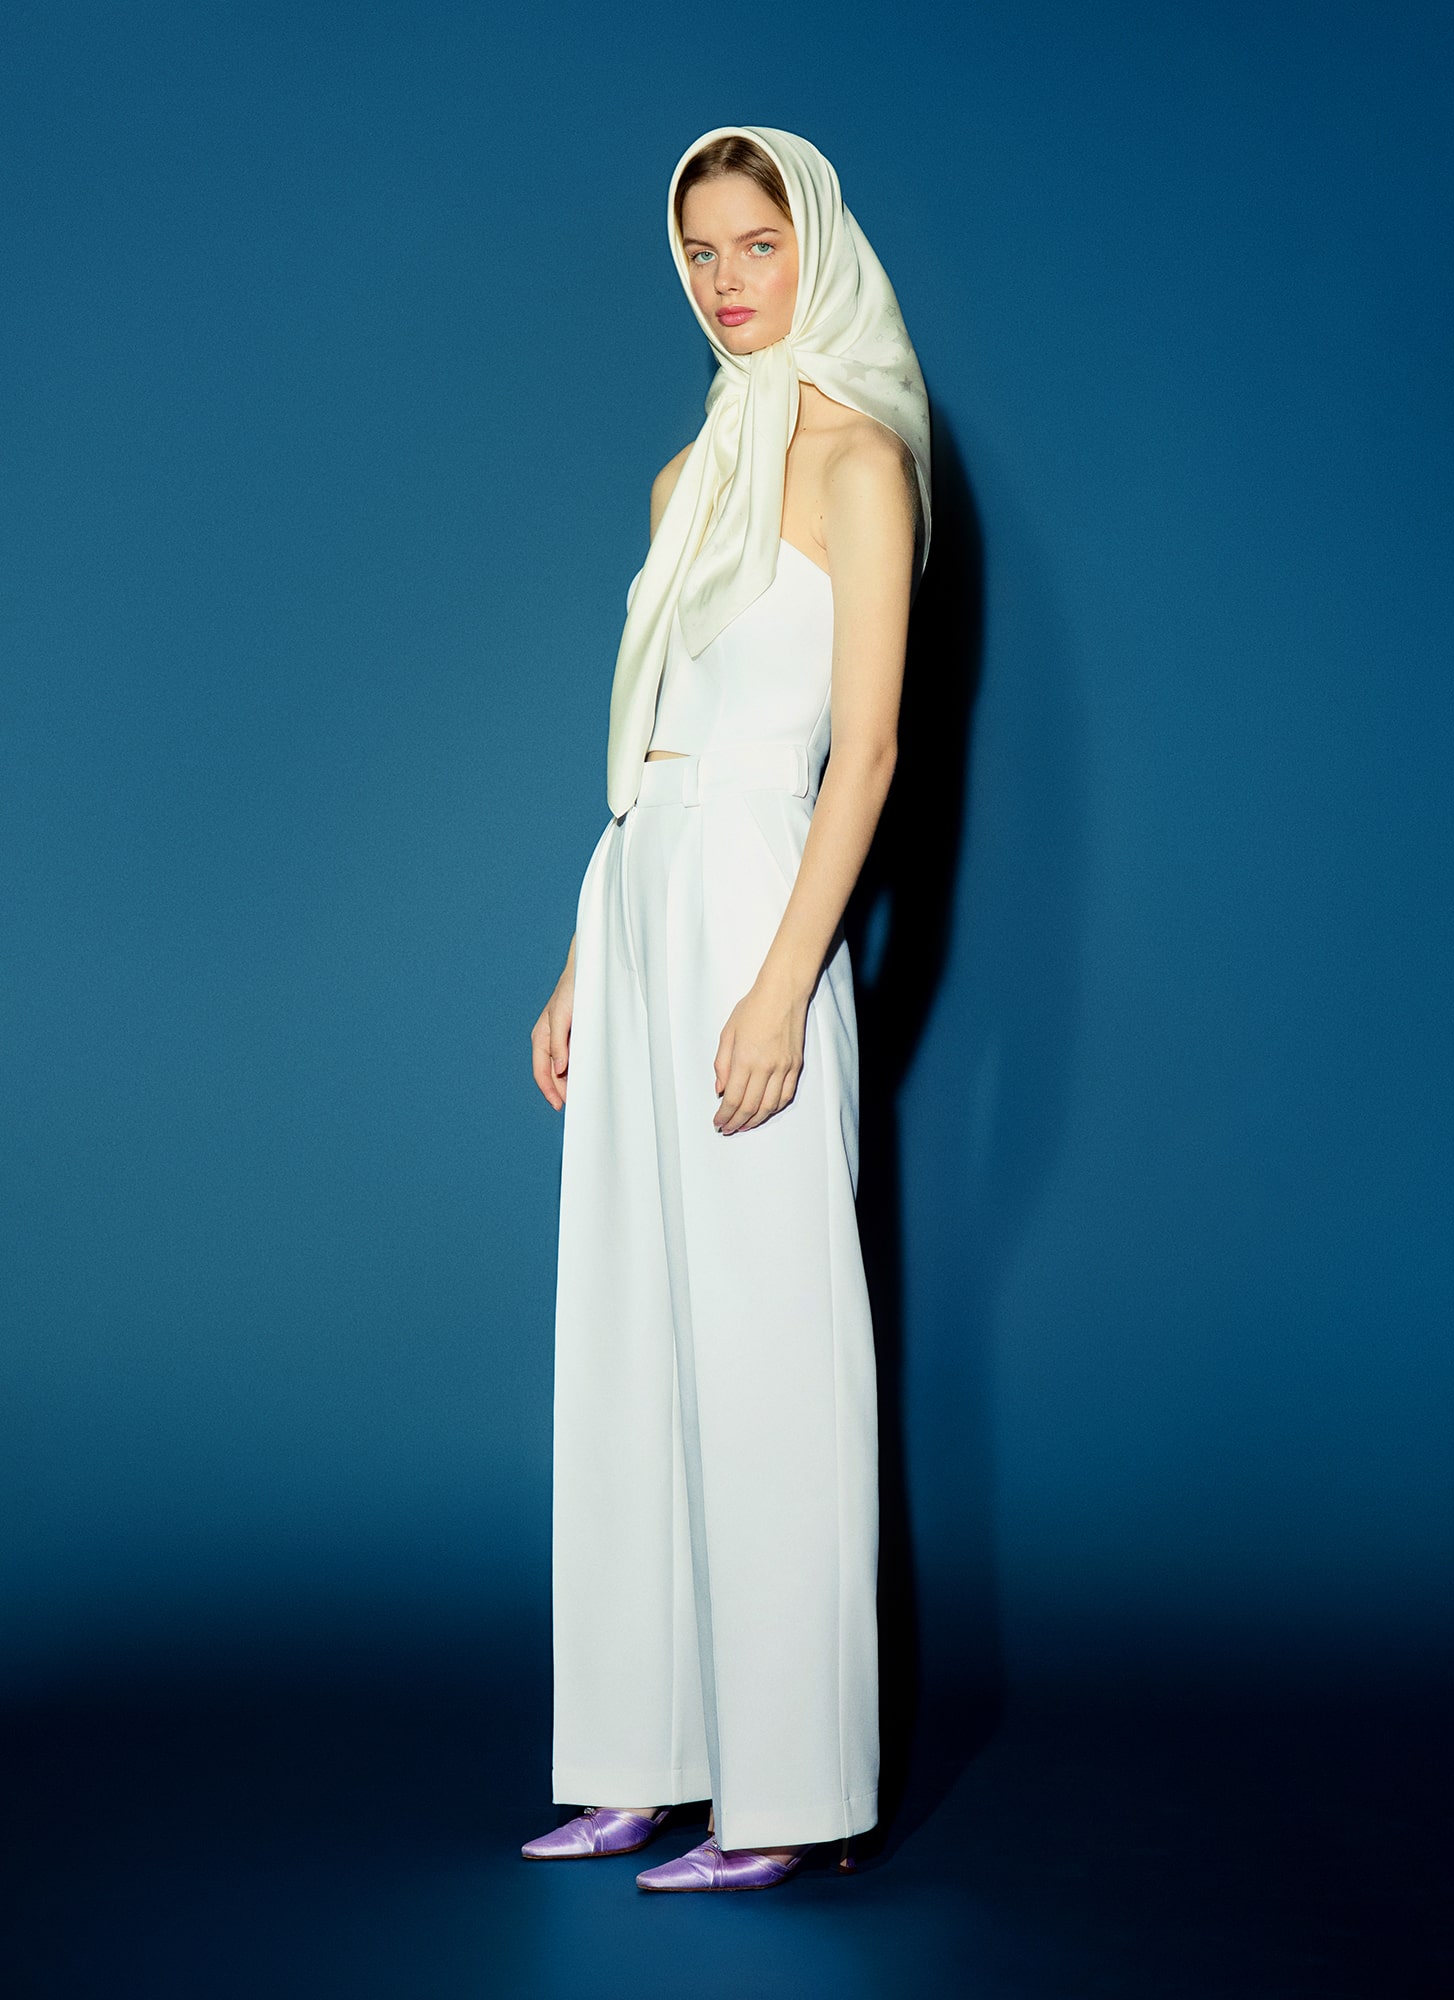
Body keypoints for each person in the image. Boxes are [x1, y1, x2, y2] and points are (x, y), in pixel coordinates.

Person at [524, 125, 931, 1893]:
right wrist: (579, 957)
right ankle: (639, 1761)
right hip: (640, 902)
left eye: (757, 243)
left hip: (765, 903)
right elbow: (651, 749)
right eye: (699, 250)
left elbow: (871, 752)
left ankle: (789, 1793)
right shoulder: (683, 475)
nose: (725, 279)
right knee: (629, 1339)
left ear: (812, 245)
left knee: (770, 1346)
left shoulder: (860, 465)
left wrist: (783, 983)